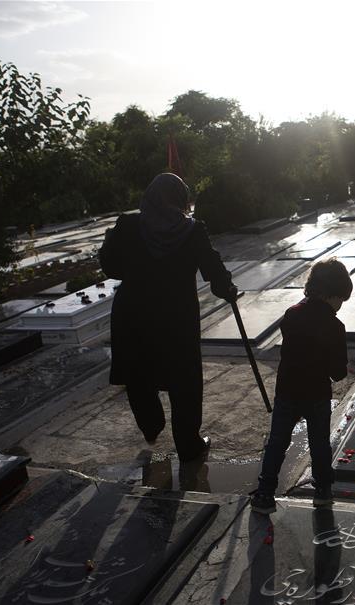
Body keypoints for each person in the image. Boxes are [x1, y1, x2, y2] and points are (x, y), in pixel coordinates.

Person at [99, 173, 237, 462]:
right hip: (177, 316)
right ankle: (188, 444)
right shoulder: (192, 230)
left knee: (139, 372)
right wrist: (228, 289)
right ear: (179, 198)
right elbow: (213, 271)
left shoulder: (128, 225)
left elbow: (110, 266)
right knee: (184, 378)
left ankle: (151, 426)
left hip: (133, 313)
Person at [250, 259, 352, 514]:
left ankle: (264, 494)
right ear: (332, 294)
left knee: (277, 442)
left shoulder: (292, 314)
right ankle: (323, 491)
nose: (340, 307)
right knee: (319, 443)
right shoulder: (335, 326)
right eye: (340, 299)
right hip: (317, 393)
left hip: (287, 391)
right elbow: (339, 373)